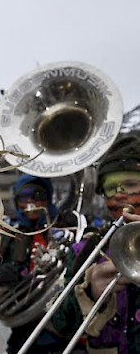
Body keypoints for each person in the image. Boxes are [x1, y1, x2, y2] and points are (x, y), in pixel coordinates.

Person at [52, 134, 140, 354]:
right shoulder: (88, 248)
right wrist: (89, 294)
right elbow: (62, 324)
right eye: (111, 188)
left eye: (130, 185)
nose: (119, 195)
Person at [0, 173, 68, 354]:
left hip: (60, 329)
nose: (30, 203)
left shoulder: (65, 227)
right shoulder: (10, 235)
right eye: (23, 197)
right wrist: (3, 274)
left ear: (48, 199)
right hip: (23, 327)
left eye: (37, 196)